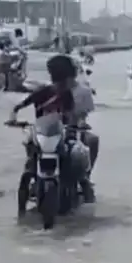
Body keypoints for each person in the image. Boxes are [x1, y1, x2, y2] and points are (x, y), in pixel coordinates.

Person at [9, 54, 98, 202]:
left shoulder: (71, 94)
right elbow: (20, 106)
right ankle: (31, 177)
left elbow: (74, 114)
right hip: (42, 133)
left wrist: (78, 123)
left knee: (80, 153)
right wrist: (13, 118)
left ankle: (83, 181)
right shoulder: (43, 92)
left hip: (65, 132)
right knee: (29, 151)